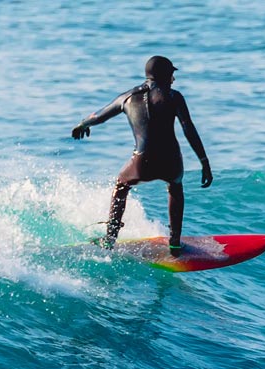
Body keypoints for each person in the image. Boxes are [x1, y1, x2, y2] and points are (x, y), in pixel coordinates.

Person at [71, 55, 212, 257]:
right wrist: (204, 162)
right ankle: (174, 243)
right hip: (171, 161)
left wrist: (82, 124)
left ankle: (109, 239)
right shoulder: (174, 97)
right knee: (175, 187)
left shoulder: (127, 97)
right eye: (172, 74)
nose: (174, 78)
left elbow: (99, 116)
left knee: (121, 185)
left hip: (141, 162)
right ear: (164, 75)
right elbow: (188, 129)